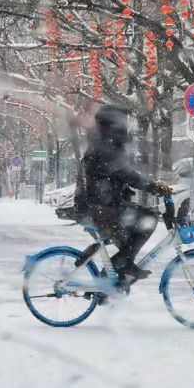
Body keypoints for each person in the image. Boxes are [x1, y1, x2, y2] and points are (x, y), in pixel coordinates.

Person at [74, 105, 171, 281]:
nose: (126, 125)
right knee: (149, 219)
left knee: (129, 240)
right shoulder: (106, 146)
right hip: (101, 208)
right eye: (123, 121)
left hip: (98, 205)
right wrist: (153, 186)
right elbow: (125, 173)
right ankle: (120, 268)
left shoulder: (103, 142)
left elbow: (115, 175)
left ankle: (110, 282)